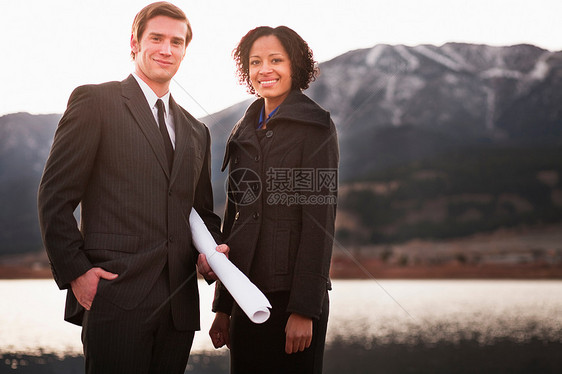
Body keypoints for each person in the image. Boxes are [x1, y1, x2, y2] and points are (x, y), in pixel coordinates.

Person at [37, 2, 227, 373]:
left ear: (186, 50)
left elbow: (201, 212)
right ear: (134, 43)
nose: (166, 49)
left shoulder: (196, 131)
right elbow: (54, 199)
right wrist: (78, 273)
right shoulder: (95, 102)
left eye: (177, 41)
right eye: (156, 38)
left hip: (178, 307)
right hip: (113, 299)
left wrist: (212, 253)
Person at [209, 26, 339, 373]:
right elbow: (232, 221)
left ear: (295, 65)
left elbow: (319, 222)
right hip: (244, 298)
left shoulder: (316, 127)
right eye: (255, 62)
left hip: (291, 303)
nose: (265, 69)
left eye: (275, 60)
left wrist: (304, 310)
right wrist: (223, 306)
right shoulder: (242, 132)